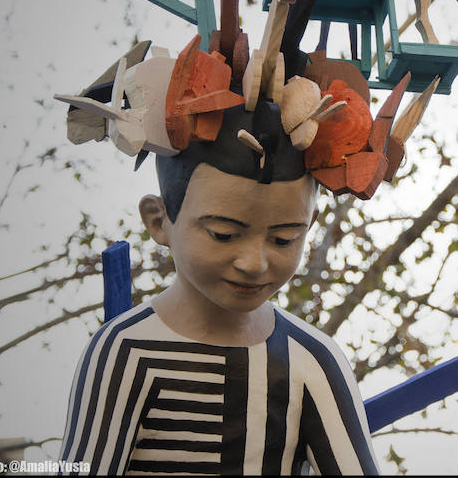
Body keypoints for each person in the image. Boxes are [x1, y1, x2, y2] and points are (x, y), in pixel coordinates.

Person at [58, 102, 380, 475]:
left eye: (283, 239)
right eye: (223, 234)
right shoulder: (124, 350)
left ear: (309, 226)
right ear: (159, 221)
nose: (254, 263)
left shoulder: (311, 359)